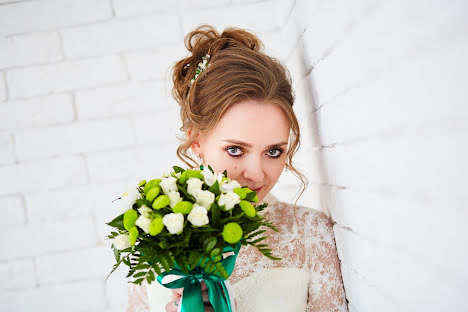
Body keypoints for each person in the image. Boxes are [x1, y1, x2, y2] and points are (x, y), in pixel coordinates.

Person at [126, 24, 348, 312]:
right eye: (235, 150)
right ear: (196, 141)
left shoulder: (309, 234)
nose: (256, 174)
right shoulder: (152, 234)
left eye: (273, 151)